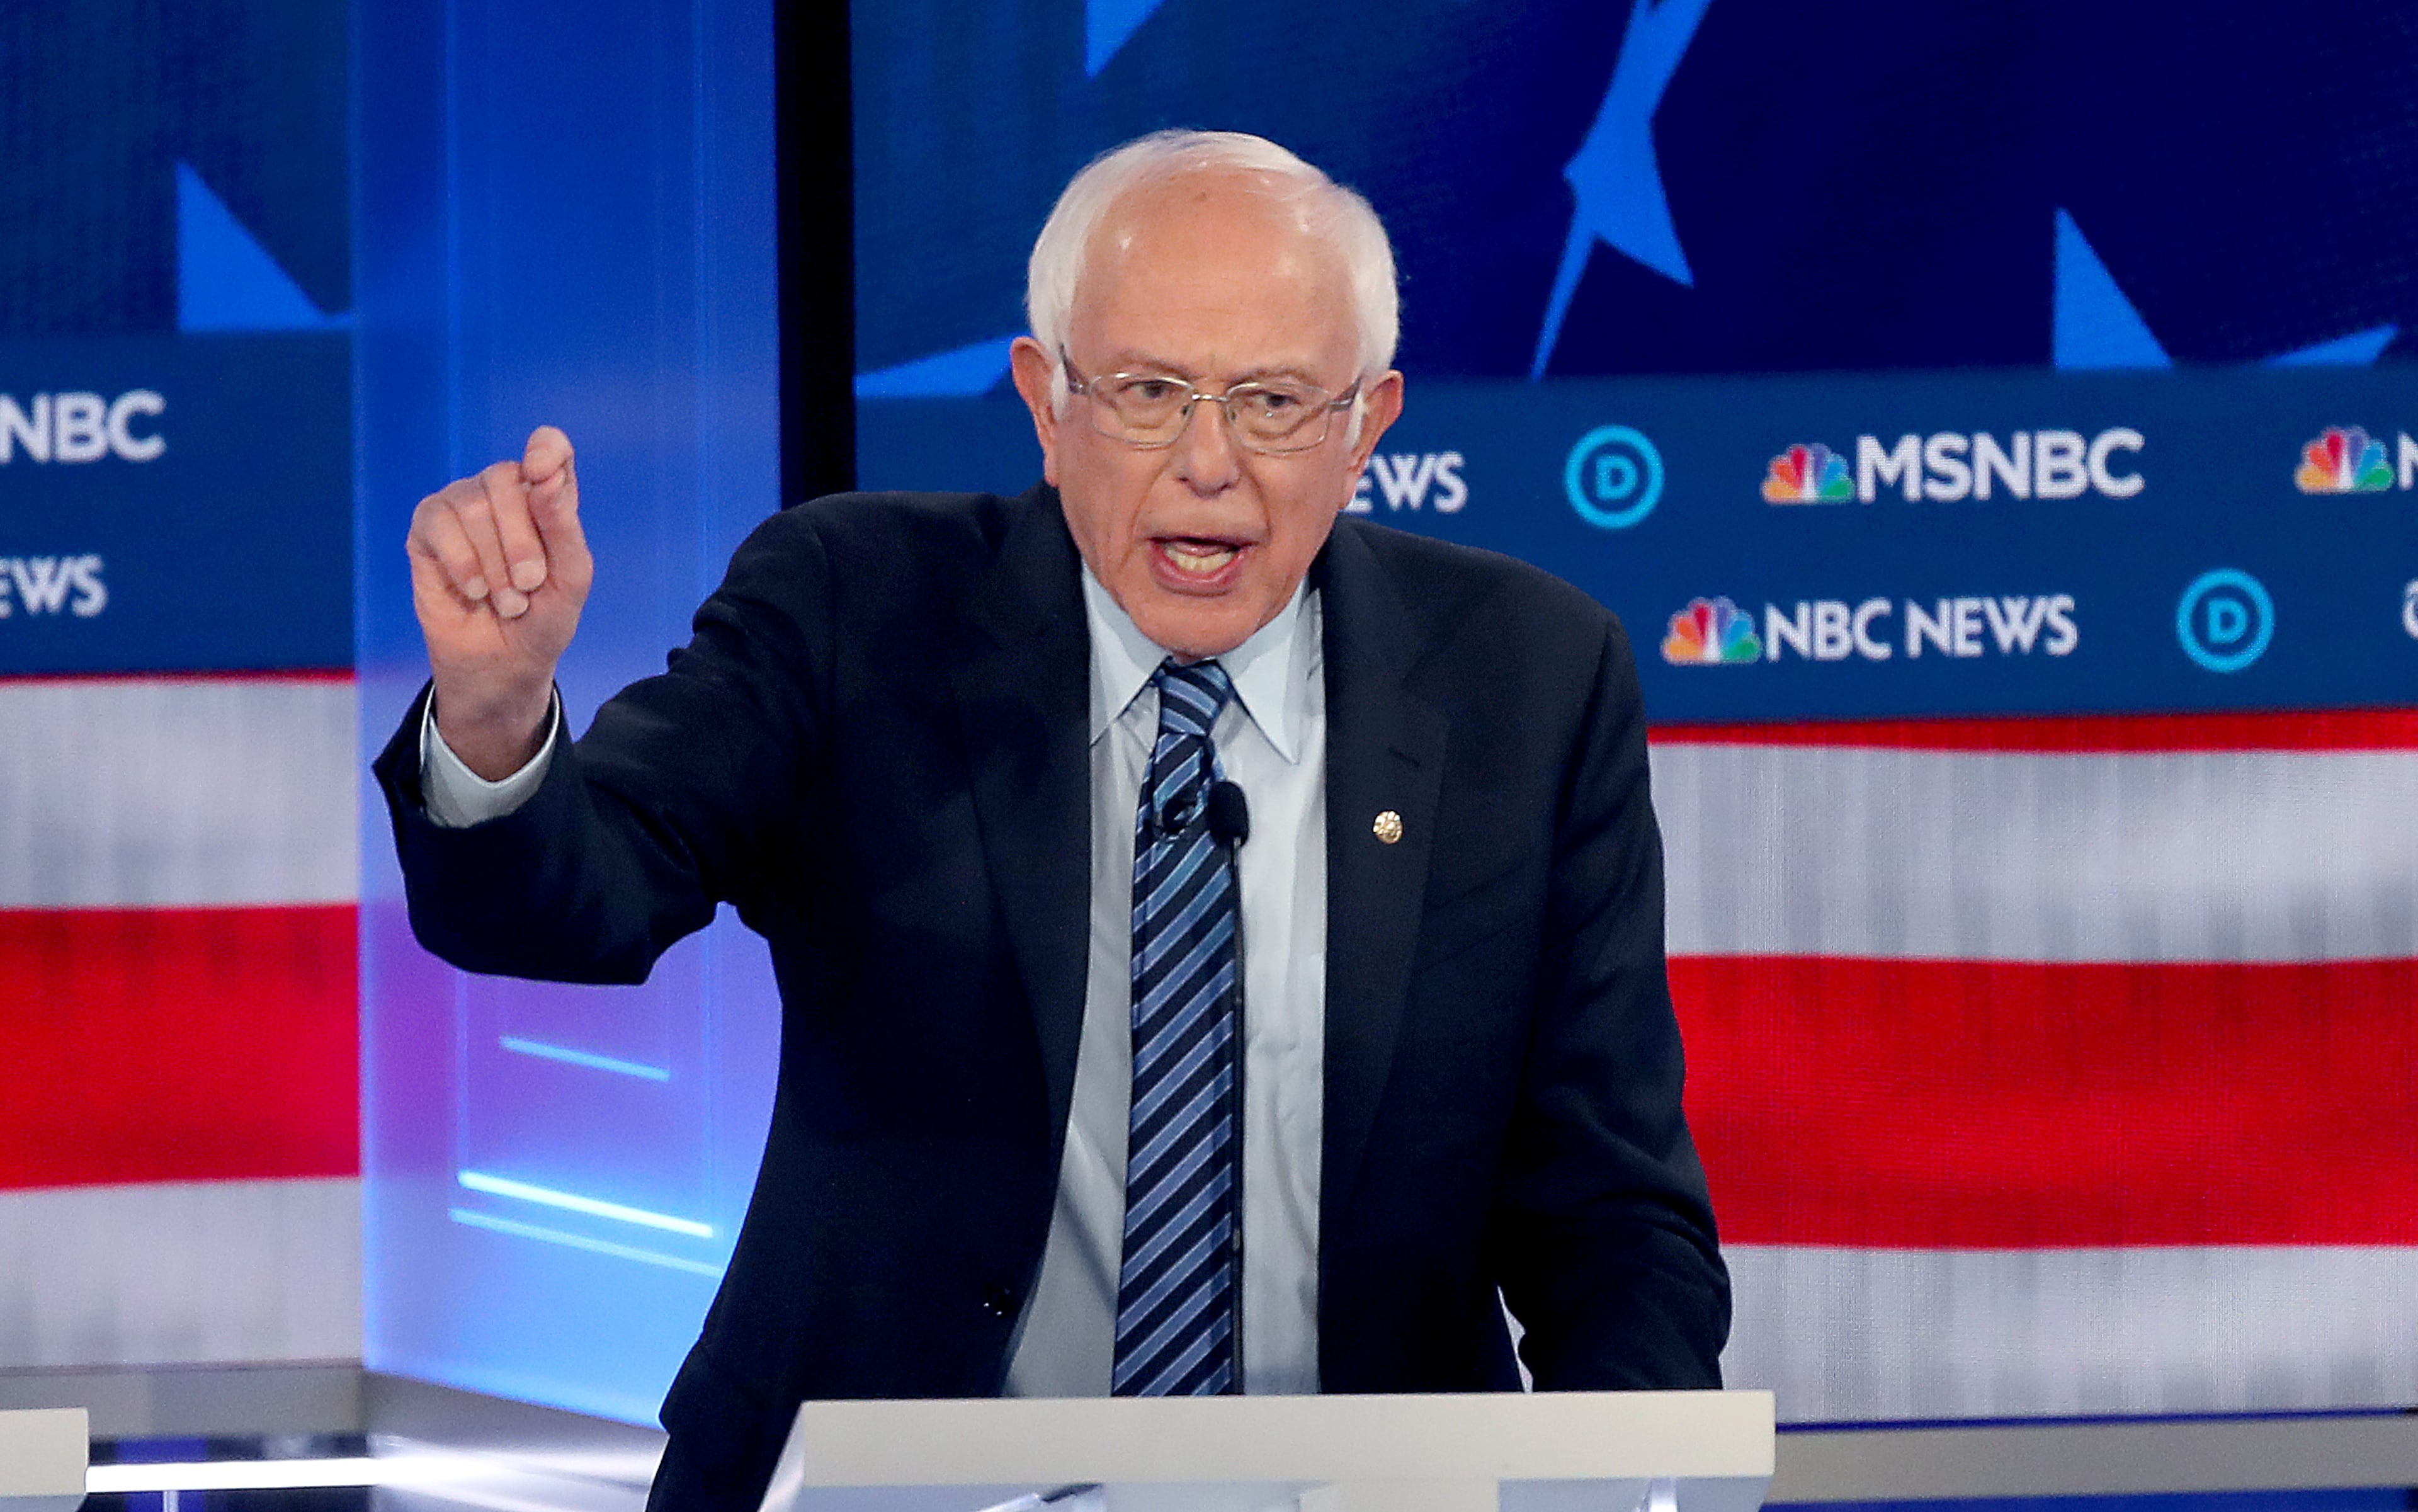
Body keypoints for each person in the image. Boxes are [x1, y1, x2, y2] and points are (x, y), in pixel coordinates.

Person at [375, 130, 1728, 1510]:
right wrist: (492, 716)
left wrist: (1618, 1483)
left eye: (1271, 402)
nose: (1209, 462)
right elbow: (569, 898)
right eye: (1148, 392)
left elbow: (1614, 1215)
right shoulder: (856, 606)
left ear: (1367, 423)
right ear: (1045, 400)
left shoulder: (1529, 678)